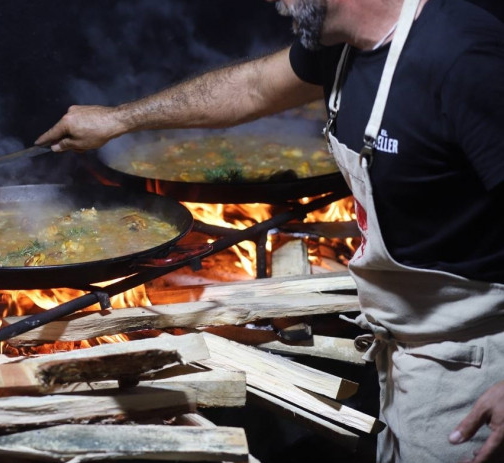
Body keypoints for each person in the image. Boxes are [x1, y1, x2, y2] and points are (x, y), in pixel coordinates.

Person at [36, 0, 504, 461]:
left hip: (472, 363)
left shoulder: (463, 55)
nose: (274, 3)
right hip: (407, 346)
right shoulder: (343, 47)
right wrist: (118, 120)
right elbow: (254, 87)